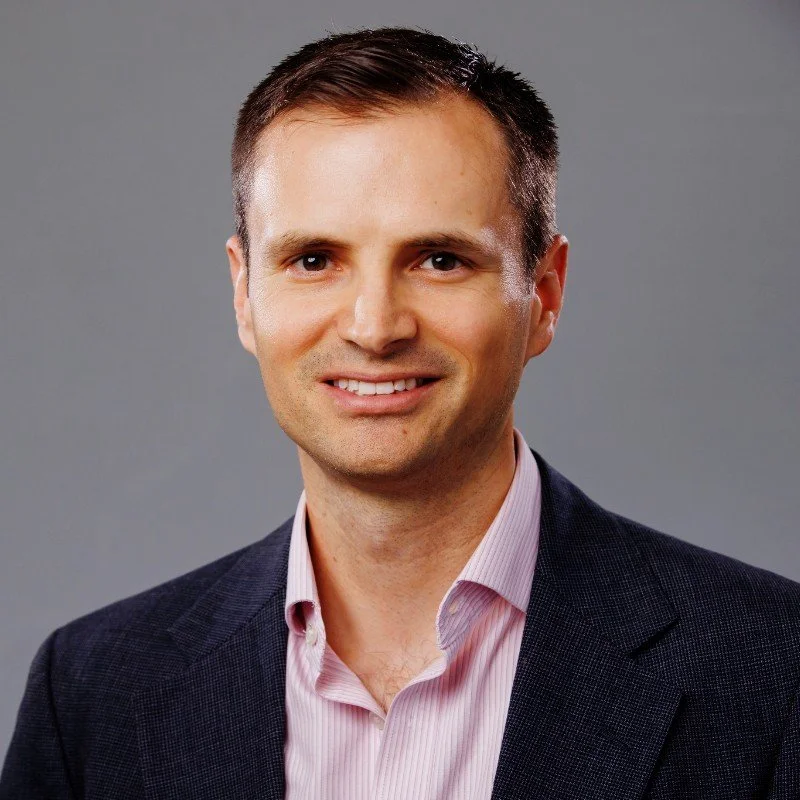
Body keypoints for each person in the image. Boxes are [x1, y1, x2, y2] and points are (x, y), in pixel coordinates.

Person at [1, 26, 798, 800]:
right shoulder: (92, 693)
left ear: (544, 296)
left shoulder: (773, 670)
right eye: (314, 260)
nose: (374, 327)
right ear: (245, 294)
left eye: (440, 260)